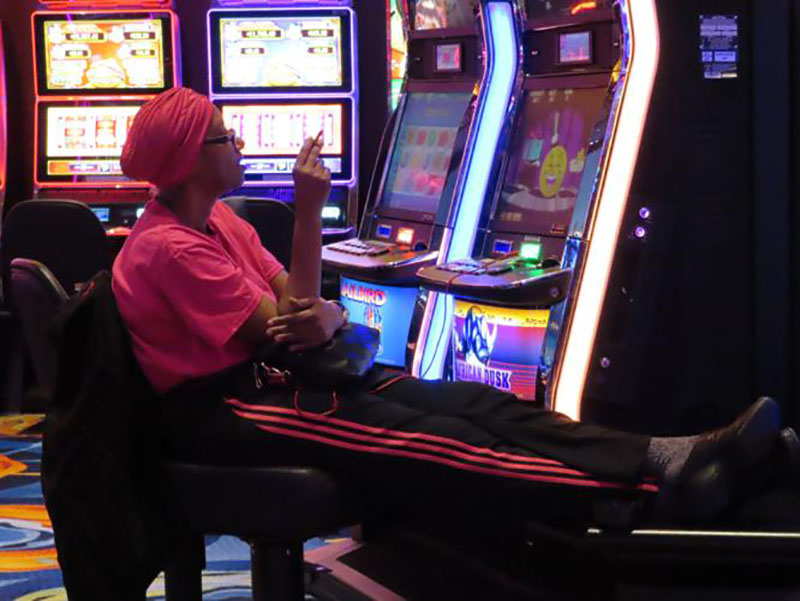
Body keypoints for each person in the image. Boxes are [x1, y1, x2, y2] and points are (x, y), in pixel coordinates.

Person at [113, 87, 783, 524]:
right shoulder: (168, 248)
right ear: (188, 160)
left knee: (475, 403)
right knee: (447, 442)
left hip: (282, 377)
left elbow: (302, 309)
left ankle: (669, 451)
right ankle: (669, 496)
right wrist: (311, 218)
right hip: (229, 408)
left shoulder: (219, 222)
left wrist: (325, 314)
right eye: (224, 138)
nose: (238, 144)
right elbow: (292, 328)